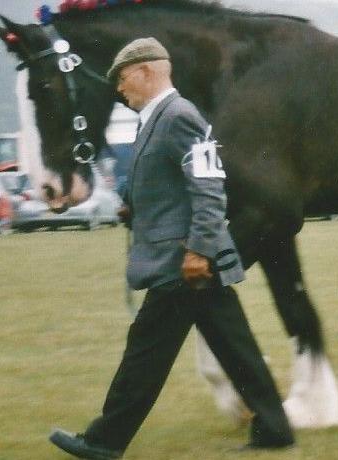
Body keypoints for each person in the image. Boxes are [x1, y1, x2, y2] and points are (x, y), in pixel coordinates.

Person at [49, 37, 294, 459]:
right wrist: (135, 204)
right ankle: (275, 429)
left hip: (182, 263)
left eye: (123, 79)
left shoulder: (179, 116)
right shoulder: (155, 119)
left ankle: (104, 441)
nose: (120, 89)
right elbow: (170, 183)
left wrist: (198, 249)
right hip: (185, 260)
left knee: (145, 353)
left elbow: (208, 187)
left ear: (147, 71)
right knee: (237, 347)